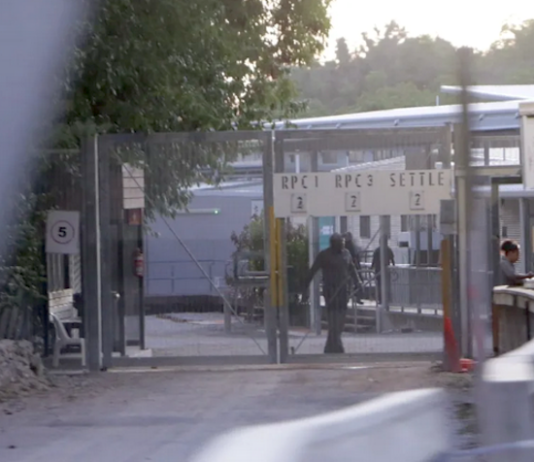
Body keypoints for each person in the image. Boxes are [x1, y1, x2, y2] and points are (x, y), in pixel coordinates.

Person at [302, 233, 358, 354]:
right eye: (339, 244)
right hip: (330, 292)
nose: (342, 246)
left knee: (341, 321)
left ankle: (331, 347)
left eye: (343, 243)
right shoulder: (324, 255)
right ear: (333, 244)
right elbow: (312, 272)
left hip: (343, 291)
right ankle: (336, 347)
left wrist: (358, 284)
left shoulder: (346, 254)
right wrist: (305, 289)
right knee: (333, 322)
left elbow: (352, 269)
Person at [371, 239, 395, 304]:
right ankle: (387, 298)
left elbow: (373, 261)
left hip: (378, 271)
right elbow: (392, 260)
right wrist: (393, 267)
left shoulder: (377, 250)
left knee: (379, 285)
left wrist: (371, 268)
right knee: (387, 285)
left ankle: (380, 299)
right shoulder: (388, 250)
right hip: (386, 271)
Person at [343, 232, 364, 304]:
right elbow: (354, 257)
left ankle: (351, 297)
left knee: (351, 283)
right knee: (357, 282)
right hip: (352, 268)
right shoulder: (349, 247)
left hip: (350, 268)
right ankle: (356, 297)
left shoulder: (347, 246)